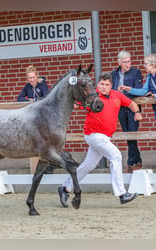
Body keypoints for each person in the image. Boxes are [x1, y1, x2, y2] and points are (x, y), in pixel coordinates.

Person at [58, 72, 141, 208]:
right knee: (116, 156)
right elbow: (76, 103)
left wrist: (137, 112)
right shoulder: (92, 95)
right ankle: (121, 194)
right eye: (102, 84)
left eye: (107, 85)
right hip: (94, 135)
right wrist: (75, 104)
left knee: (88, 166)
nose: (104, 87)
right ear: (98, 84)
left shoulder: (117, 95)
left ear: (111, 85)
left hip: (106, 137)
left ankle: (65, 188)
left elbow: (131, 103)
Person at [111, 51, 143, 173]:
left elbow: (138, 89)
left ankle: (131, 162)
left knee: (132, 133)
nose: (127, 64)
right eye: (125, 62)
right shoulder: (114, 74)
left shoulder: (136, 72)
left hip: (132, 106)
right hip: (120, 107)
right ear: (119, 62)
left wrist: (125, 90)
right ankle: (137, 159)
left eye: (129, 61)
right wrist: (117, 92)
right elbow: (111, 90)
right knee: (127, 134)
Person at [17, 65, 52, 174]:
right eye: (29, 78)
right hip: (33, 116)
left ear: (37, 76)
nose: (32, 80)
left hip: (43, 115)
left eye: (33, 77)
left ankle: (48, 165)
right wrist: (30, 100)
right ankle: (37, 169)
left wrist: (34, 100)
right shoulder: (27, 87)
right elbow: (19, 98)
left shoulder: (42, 85)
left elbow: (46, 98)